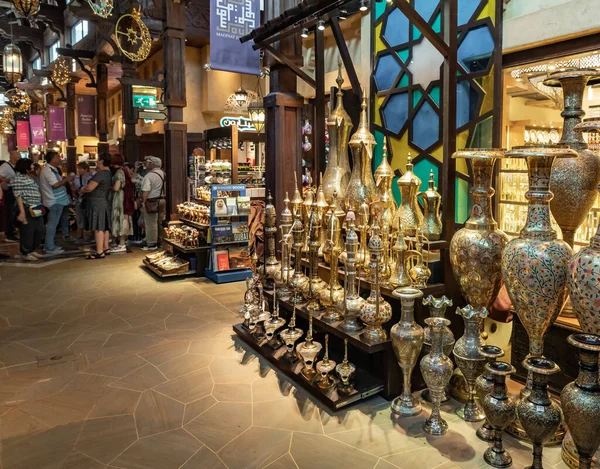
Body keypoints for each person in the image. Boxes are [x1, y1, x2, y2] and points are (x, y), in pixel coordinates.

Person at [11, 158, 44, 261]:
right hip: (26, 207)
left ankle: (33, 249)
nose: (33, 167)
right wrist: (22, 212)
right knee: (27, 231)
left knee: (39, 229)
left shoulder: (29, 177)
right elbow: (18, 196)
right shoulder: (18, 179)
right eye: (31, 165)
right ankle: (26, 252)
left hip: (36, 206)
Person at [80, 154, 112, 259]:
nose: (97, 162)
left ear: (102, 161)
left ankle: (99, 251)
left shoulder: (101, 174)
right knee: (105, 227)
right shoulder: (108, 173)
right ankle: (106, 247)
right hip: (104, 201)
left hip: (97, 202)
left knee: (99, 227)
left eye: (98, 160)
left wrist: (82, 189)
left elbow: (90, 188)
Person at [40, 151, 72, 254]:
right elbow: (55, 185)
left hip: (57, 200)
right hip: (54, 201)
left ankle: (49, 245)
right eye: (58, 157)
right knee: (52, 224)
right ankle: (49, 247)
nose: (60, 159)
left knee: (53, 223)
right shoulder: (48, 171)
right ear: (53, 159)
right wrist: (67, 179)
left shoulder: (52, 170)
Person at [140, 156, 166, 251]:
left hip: (152, 201)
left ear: (151, 164)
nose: (146, 164)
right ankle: (161, 241)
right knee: (160, 222)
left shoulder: (149, 176)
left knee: (151, 223)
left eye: (147, 162)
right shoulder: (163, 173)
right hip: (162, 200)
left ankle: (151, 244)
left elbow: (146, 191)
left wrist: (143, 202)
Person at [110, 154, 133, 253]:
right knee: (123, 218)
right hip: (124, 197)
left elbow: (116, 187)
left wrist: (108, 187)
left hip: (119, 198)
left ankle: (121, 244)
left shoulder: (119, 172)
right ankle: (121, 242)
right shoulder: (124, 170)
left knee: (120, 218)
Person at [0, 151, 21, 242]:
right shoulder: (5, 166)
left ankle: (12, 231)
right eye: (17, 156)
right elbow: (0, 177)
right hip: (8, 193)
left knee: (13, 213)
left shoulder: (15, 167)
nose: (19, 158)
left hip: (14, 192)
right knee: (9, 213)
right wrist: (7, 180)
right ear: (12, 157)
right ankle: (9, 234)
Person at [71, 161, 93, 241]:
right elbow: (73, 187)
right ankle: (80, 235)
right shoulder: (76, 178)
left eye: (81, 169)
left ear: (86, 169)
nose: (79, 170)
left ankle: (91, 235)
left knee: (90, 217)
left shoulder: (92, 176)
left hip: (90, 200)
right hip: (79, 200)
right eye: (78, 169)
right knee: (80, 217)